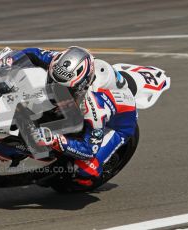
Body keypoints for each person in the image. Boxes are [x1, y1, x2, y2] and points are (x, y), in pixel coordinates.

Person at [22, 47, 137, 186]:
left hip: (118, 126)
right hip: (99, 86)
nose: (54, 89)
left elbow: (89, 150)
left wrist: (55, 140)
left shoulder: (94, 109)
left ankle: (75, 179)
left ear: (81, 87)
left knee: (86, 171)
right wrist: (2, 60)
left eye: (64, 89)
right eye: (52, 81)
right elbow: (31, 53)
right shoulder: (59, 63)